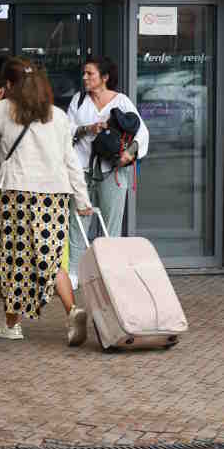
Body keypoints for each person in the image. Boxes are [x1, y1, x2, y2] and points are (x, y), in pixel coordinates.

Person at [0, 57, 93, 346]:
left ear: (8, 85)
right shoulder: (58, 115)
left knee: (15, 259)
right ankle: (73, 310)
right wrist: (82, 199)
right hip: (54, 196)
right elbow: (71, 163)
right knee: (51, 257)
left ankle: (12, 325)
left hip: (17, 193)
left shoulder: (3, 109)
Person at [66, 56, 148, 288]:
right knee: (79, 219)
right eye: (84, 73)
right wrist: (87, 128)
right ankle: (74, 271)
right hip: (82, 170)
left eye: (89, 74)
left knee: (110, 222)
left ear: (104, 77)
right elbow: (66, 129)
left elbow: (143, 133)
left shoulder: (121, 101)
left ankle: (107, 272)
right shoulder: (79, 100)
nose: (84, 77)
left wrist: (129, 153)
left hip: (113, 171)